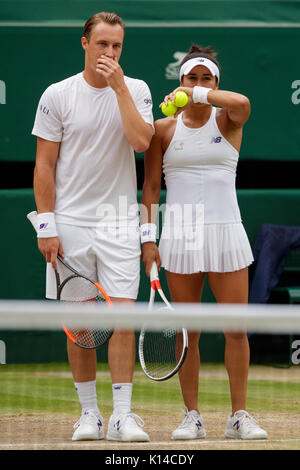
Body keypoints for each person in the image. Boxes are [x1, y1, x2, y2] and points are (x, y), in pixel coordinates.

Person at [32, 11, 154, 442]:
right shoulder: (58, 94)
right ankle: (89, 414)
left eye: (117, 46)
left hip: (120, 223)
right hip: (71, 223)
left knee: (122, 319)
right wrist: (46, 225)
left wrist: (119, 85)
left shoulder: (136, 89)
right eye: (102, 44)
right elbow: (44, 165)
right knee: (81, 324)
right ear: (84, 43)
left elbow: (141, 142)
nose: (110, 53)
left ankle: (122, 415)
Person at [141, 44, 268, 440]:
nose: (198, 84)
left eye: (206, 78)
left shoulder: (229, 119)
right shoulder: (162, 129)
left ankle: (238, 416)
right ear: (178, 81)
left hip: (226, 232)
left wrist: (196, 96)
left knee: (236, 330)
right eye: (190, 78)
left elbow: (243, 101)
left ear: (215, 83)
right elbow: (149, 189)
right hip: (180, 236)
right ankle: (191, 415)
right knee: (187, 334)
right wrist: (149, 239)